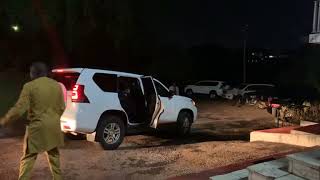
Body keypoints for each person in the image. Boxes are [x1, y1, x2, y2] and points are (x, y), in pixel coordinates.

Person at [0, 62, 66, 180]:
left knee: (28, 157)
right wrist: (53, 118)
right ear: (45, 73)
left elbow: (19, 109)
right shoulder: (56, 86)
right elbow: (62, 107)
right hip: (53, 126)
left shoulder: (29, 86)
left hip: (37, 127)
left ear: (33, 73)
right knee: (54, 156)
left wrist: (4, 120)